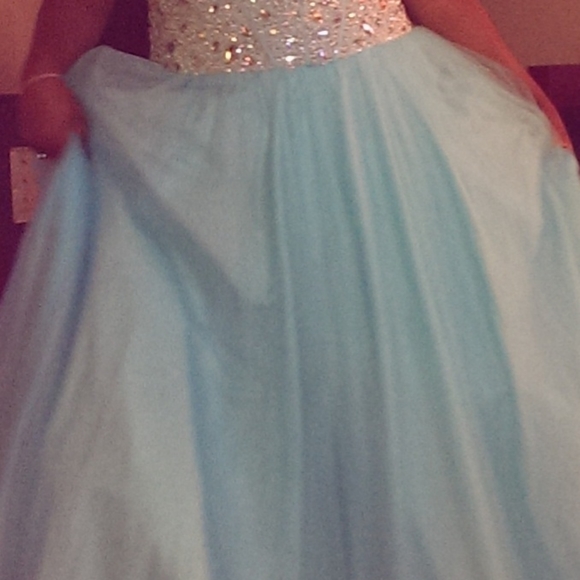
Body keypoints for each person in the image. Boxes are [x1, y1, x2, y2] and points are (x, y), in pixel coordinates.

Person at [1, 0, 580, 578]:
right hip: (195, 158)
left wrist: (514, 80)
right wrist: (43, 70)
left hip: (376, 136)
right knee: (186, 411)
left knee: (394, 397)